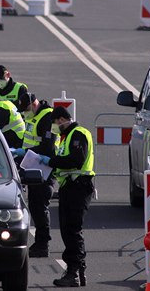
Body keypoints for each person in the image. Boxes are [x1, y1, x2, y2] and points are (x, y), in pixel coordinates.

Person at [39, 106, 95, 287]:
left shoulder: (78, 134)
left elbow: (76, 160)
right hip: (69, 187)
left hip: (78, 187)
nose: (54, 127)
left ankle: (74, 272)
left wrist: (51, 161)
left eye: (55, 123)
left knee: (72, 230)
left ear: (62, 119)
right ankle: (78, 270)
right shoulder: (65, 137)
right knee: (68, 230)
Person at [11, 92, 58, 258]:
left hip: (44, 170)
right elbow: (30, 140)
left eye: (26, 109)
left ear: (33, 103)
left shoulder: (47, 118)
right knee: (35, 207)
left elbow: (48, 148)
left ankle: (42, 244)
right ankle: (39, 243)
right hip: (33, 168)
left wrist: (24, 152)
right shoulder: (34, 117)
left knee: (40, 208)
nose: (25, 113)